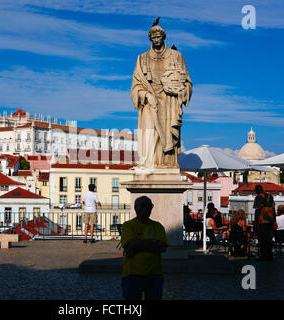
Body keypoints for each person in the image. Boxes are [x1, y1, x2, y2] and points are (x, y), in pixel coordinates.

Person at [130, 18, 192, 168]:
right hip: (149, 101)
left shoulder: (177, 56)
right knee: (150, 133)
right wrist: (145, 95)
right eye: (153, 37)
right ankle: (149, 163)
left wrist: (181, 91)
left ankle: (167, 163)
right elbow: (135, 85)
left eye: (159, 37)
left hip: (169, 101)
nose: (156, 40)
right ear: (150, 39)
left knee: (167, 133)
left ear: (163, 37)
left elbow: (187, 82)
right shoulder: (142, 58)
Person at [121, 196, 168, 300]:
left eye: (150, 206)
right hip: (131, 274)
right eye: (144, 206)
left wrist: (136, 247)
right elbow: (131, 243)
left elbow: (162, 247)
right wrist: (153, 243)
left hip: (154, 274)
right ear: (136, 208)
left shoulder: (158, 226)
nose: (147, 208)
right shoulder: (128, 226)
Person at [253, 184, 277, 261]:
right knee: (269, 239)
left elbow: (257, 210)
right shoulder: (270, 196)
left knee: (262, 239)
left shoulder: (258, 197)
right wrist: (274, 220)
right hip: (270, 220)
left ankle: (264, 256)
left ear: (257, 190)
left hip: (262, 220)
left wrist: (255, 222)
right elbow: (273, 208)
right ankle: (269, 255)